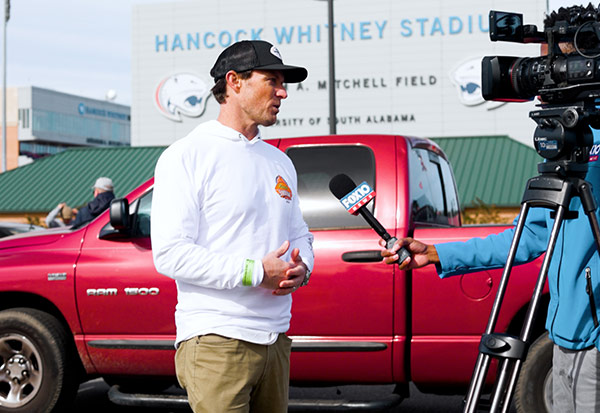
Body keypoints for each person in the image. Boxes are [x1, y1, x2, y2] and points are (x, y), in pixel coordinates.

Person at [381, 5, 600, 412]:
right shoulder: (566, 141)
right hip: (562, 333)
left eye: (558, 61)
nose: (544, 72)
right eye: (542, 60)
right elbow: (531, 236)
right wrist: (436, 253)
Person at [150, 40, 314, 413]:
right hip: (216, 341)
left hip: (276, 340)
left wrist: (303, 269)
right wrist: (256, 272)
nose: (282, 92)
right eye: (271, 80)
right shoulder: (187, 155)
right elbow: (171, 253)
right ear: (234, 82)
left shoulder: (279, 161)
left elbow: (300, 234)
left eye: (282, 83)